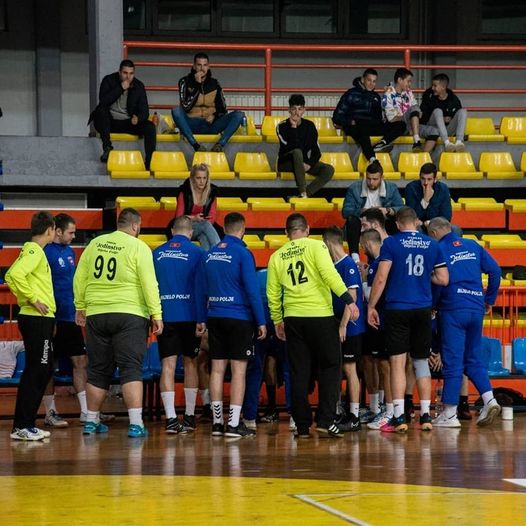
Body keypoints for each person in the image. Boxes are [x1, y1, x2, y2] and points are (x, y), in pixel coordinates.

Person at [266, 213, 360, 438]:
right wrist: (349, 300)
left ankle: (301, 425)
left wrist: (277, 320)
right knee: (330, 366)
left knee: (299, 372)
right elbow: (329, 275)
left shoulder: (276, 256)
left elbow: (272, 293)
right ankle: (326, 421)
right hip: (320, 316)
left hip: (293, 318)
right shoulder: (317, 247)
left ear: (286, 232)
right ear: (307, 229)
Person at [74, 208, 163, 438]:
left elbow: (80, 277)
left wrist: (80, 306)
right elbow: (149, 283)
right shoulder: (139, 247)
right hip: (130, 314)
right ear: (135, 226)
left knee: (97, 370)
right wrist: (156, 313)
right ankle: (135, 424)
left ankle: (91, 421)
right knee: (131, 369)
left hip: (97, 313)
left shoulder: (95, 244)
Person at [367, 207, 449, 433]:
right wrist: (423, 276)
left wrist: (371, 306)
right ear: (416, 222)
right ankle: (426, 416)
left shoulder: (391, 243)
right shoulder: (432, 244)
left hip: (397, 308)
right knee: (421, 362)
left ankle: (399, 416)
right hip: (423, 309)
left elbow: (381, 277)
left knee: (397, 362)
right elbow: (443, 279)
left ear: (398, 224)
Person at [196, 212, 266, 438]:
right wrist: (261, 321)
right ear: (242, 230)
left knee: (217, 369)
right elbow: (252, 291)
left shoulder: (209, 254)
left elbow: (201, 290)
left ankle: (217, 423)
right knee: (239, 371)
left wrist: (202, 319)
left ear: (224, 229)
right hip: (239, 317)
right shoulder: (243, 253)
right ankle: (234, 424)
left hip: (215, 316)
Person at [427, 217, 501, 427]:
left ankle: (450, 414)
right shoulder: (473, 245)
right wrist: (489, 300)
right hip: (476, 307)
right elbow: (495, 271)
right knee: (473, 359)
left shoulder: (438, 249)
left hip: (452, 308)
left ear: (433, 233)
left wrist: (433, 305)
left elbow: (440, 281)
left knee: (453, 361)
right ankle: (490, 400)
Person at [5, 212, 56, 441]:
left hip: (37, 318)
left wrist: (27, 298)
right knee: (38, 371)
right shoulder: (35, 251)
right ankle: (23, 426)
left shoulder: (31, 250)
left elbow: (11, 275)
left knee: (42, 369)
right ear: (49, 230)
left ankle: (24, 425)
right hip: (37, 318)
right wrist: (33, 299)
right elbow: (15, 274)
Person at [153, 216, 204, 434]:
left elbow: (151, 286)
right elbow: (201, 288)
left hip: (165, 315)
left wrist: (154, 315)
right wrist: (202, 318)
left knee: (168, 366)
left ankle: (171, 419)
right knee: (191, 363)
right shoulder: (198, 253)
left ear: (172, 231)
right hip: (190, 314)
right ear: (191, 233)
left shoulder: (156, 253)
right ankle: (190, 416)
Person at [42, 214, 86, 426]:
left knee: (80, 362)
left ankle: (87, 412)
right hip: (53, 318)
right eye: (71, 232)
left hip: (71, 316)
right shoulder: (45, 252)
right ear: (58, 231)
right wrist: (50, 317)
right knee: (49, 365)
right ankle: (50, 412)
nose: (74, 236)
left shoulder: (70, 252)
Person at [323, 226, 366, 432]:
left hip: (350, 327)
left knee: (350, 369)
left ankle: (355, 416)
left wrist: (343, 325)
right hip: (337, 324)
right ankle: (340, 409)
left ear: (329, 244)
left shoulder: (347, 264)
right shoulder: (335, 265)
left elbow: (353, 298)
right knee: (339, 368)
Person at [171, 52, 244, 152]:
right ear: (194, 66)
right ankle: (196, 146)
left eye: (205, 65)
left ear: (208, 67)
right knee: (176, 111)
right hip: (192, 124)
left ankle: (220, 145)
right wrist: (197, 85)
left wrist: (214, 115)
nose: (202, 68)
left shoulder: (215, 83)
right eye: (199, 65)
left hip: (211, 125)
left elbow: (223, 109)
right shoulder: (184, 81)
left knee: (239, 115)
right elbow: (185, 106)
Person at [89, 59, 156, 167]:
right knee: (100, 112)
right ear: (119, 72)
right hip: (109, 122)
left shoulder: (138, 86)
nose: (128, 77)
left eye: (131, 73)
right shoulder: (108, 80)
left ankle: (150, 162)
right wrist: (120, 88)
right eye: (125, 73)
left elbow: (145, 111)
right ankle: (107, 149)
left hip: (128, 122)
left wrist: (138, 118)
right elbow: (103, 102)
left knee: (150, 126)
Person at [360, 228, 394, 430]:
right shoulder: (386, 260)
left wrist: (364, 279)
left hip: (380, 319)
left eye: (363, 246)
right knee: (383, 364)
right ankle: (384, 407)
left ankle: (387, 410)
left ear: (367, 244)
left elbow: (371, 294)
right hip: (388, 318)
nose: (363, 249)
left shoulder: (376, 265)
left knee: (383, 364)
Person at [332, 68, 406, 161]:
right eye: (369, 80)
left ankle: (382, 143)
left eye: (374, 81)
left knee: (401, 125)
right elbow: (337, 117)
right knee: (362, 131)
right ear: (363, 80)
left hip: (371, 126)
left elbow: (378, 119)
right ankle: (372, 159)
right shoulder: (350, 94)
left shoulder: (376, 97)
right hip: (355, 126)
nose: (372, 84)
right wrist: (351, 122)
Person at [342, 160, 403, 260]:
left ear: (382, 178)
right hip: (361, 223)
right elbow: (346, 211)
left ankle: (396, 253)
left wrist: (387, 210)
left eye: (375, 179)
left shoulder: (391, 188)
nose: (371, 182)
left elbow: (401, 208)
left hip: (383, 223)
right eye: (368, 178)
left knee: (394, 220)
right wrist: (362, 211)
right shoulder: (354, 188)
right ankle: (355, 257)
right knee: (352, 220)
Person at [277, 94, 334, 197]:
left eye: (299, 109)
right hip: (286, 163)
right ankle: (302, 192)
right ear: (289, 110)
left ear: (304, 110)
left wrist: (309, 164)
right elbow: (291, 147)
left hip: (303, 162)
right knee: (297, 152)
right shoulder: (281, 126)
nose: (296, 112)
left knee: (328, 169)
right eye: (294, 109)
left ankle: (306, 194)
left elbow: (316, 151)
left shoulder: (309, 126)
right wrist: (293, 127)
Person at [382, 68, 439, 153]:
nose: (410, 84)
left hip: (412, 126)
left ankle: (422, 156)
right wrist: (409, 115)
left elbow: (417, 111)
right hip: (398, 126)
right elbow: (391, 119)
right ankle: (416, 140)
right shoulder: (388, 94)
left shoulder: (408, 92)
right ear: (399, 80)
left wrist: (414, 116)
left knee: (434, 131)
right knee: (413, 109)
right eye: (408, 81)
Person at [405, 162, 462, 235]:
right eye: (423, 179)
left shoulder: (443, 189)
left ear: (435, 179)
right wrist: (425, 200)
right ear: (419, 177)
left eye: (429, 179)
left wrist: (430, 223)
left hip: (437, 225)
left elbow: (446, 216)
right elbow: (411, 215)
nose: (425, 183)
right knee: (415, 230)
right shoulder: (411, 188)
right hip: (418, 225)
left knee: (456, 230)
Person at [175, 163, 221, 250]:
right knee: (205, 225)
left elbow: (212, 217)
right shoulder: (185, 193)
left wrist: (204, 220)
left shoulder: (211, 194)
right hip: (185, 228)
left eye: (204, 178)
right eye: (198, 178)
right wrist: (194, 218)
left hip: (205, 228)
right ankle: (219, 252)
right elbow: (179, 218)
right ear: (192, 179)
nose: (202, 181)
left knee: (204, 237)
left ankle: (206, 257)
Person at [420, 73, 467, 152]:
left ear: (443, 87)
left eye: (435, 86)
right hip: (432, 128)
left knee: (463, 111)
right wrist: (441, 119)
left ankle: (459, 142)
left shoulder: (453, 98)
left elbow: (457, 116)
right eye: (432, 85)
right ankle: (447, 143)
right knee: (438, 111)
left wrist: (450, 119)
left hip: (447, 129)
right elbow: (423, 116)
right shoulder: (428, 95)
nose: (432, 88)